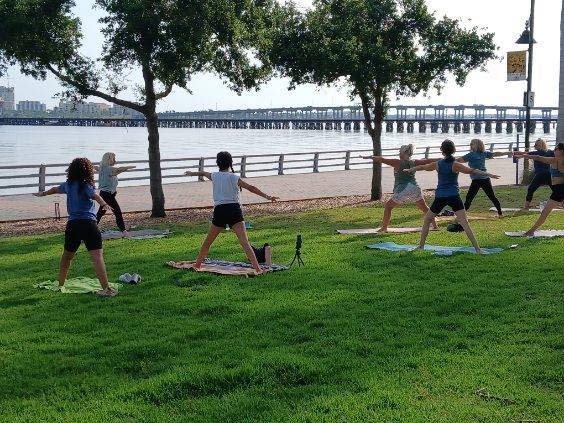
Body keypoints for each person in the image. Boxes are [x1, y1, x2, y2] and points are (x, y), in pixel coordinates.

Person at [33, 158, 117, 297]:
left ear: (72, 171)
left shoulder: (68, 184)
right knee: (97, 257)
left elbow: (55, 189)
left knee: (67, 257)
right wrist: (103, 204)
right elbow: (95, 196)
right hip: (89, 224)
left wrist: (43, 193)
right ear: (88, 171)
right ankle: (106, 288)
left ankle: (60, 284)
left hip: (73, 225)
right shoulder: (86, 185)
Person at [184, 151, 279, 274]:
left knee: (207, 242)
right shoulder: (233, 177)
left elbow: (202, 172)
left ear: (218, 163)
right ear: (230, 163)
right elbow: (251, 188)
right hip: (234, 210)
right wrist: (268, 196)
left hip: (220, 211)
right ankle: (258, 269)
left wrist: (191, 173)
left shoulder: (214, 176)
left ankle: (197, 266)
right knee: (245, 243)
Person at [404, 140, 500, 254]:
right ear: (454, 150)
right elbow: (473, 170)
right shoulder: (456, 164)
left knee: (427, 219)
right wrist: (489, 174)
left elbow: (423, 167)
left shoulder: (438, 164)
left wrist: (411, 169)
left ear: (442, 151)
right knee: (464, 223)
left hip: (440, 197)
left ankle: (421, 246)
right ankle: (477, 249)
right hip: (454, 196)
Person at [360, 144, 438, 232]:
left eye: (399, 151)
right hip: (415, 188)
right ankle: (435, 226)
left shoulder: (397, 162)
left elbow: (382, 159)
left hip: (403, 189)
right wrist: (445, 159)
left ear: (404, 152)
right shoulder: (414, 162)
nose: (398, 152)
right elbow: (428, 160)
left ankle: (384, 228)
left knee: (388, 206)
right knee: (424, 208)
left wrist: (370, 157)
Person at [514, 142, 564, 236]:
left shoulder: (556, 160)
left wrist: (523, 155)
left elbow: (538, 157)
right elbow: (538, 157)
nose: (554, 150)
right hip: (559, 189)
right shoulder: (554, 159)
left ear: (561, 151)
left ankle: (531, 231)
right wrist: (523, 155)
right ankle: (531, 231)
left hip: (559, 191)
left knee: (545, 212)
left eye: (556, 149)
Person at [456, 138, 510, 217]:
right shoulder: (470, 155)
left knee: (492, 197)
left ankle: (500, 213)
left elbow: (495, 154)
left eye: (472, 144)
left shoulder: (483, 153)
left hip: (485, 179)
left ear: (477, 145)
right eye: (470, 144)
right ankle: (462, 216)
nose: (470, 145)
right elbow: (457, 161)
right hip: (476, 181)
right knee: (469, 198)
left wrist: (508, 152)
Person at [94, 152, 136, 237]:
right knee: (117, 212)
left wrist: (124, 169)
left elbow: (115, 172)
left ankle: (89, 230)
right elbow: (118, 169)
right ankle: (124, 232)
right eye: (114, 158)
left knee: (100, 213)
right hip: (107, 195)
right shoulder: (108, 168)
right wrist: (127, 167)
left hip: (105, 194)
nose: (115, 160)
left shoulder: (103, 168)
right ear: (109, 159)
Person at [522, 139, 555, 210]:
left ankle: (526, 207)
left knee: (531, 189)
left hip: (540, 174)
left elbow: (525, 154)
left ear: (540, 145)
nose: (534, 146)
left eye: (536, 145)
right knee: (556, 191)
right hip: (548, 174)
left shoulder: (536, 153)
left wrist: (515, 154)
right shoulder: (550, 152)